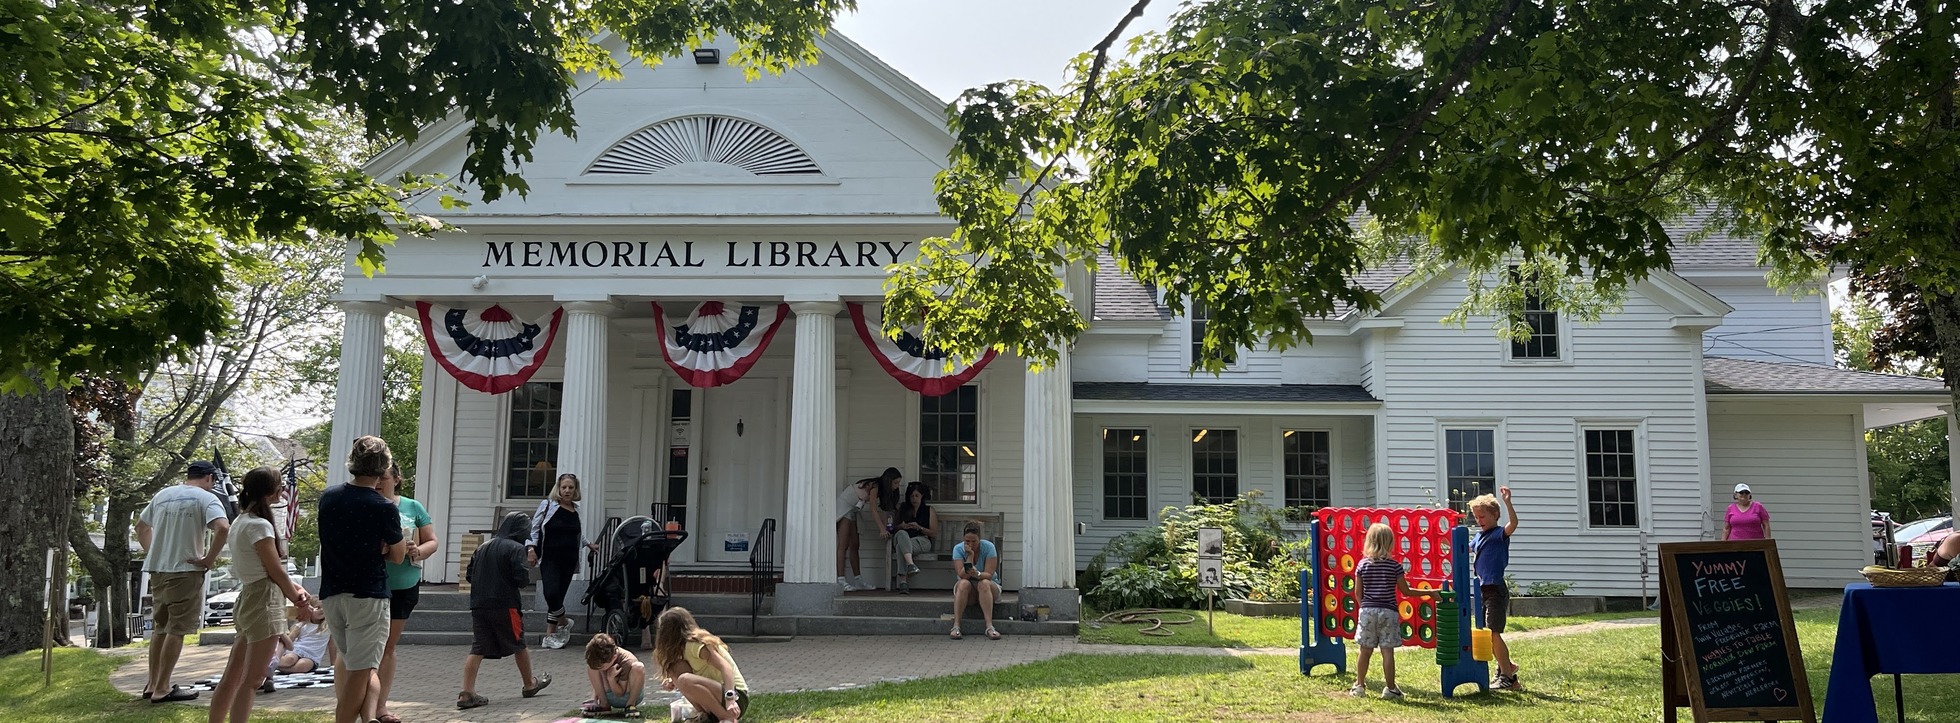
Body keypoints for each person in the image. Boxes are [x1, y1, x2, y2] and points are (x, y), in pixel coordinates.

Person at [206, 468, 312, 723]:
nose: (283, 489)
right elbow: (275, 571)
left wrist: (295, 590)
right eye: (280, 485)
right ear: (270, 491)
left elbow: (268, 570)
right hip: (264, 600)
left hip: (249, 597)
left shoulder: (241, 522)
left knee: (232, 676)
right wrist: (299, 602)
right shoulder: (259, 525)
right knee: (253, 679)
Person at [318, 436, 407, 723]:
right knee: (360, 671)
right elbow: (397, 555)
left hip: (332, 592)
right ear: (384, 469)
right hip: (368, 594)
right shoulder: (383, 507)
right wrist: (384, 545)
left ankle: (368, 718)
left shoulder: (329, 498)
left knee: (359, 666)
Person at [136, 459, 232, 703]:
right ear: (209, 478)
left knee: (161, 627)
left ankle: (152, 683)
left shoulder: (163, 494)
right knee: (177, 629)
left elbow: (141, 526)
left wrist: (153, 552)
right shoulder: (206, 498)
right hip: (185, 569)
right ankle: (163, 688)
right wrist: (208, 559)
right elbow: (223, 528)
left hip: (158, 570)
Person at [459, 511, 552, 710]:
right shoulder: (516, 548)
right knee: (519, 642)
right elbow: (521, 578)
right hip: (505, 604)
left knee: (478, 647)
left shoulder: (482, 547)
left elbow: (469, 575)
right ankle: (529, 684)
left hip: (478, 604)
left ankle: (467, 692)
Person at [374, 463, 437, 723]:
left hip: (404, 585)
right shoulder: (367, 504)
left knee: (388, 646)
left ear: (396, 479)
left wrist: (417, 551)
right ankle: (360, 703)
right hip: (372, 583)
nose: (378, 482)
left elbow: (432, 540)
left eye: (384, 478)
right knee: (370, 647)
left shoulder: (413, 507)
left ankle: (380, 708)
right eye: (375, 477)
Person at [1349, 522, 1433, 700]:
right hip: (1388, 612)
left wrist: (1364, 607)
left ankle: (1359, 686)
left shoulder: (1362, 565)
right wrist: (1429, 592)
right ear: (1389, 543)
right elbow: (1406, 591)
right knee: (1387, 652)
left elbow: (1357, 592)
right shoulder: (1394, 566)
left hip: (1367, 611)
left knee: (1365, 650)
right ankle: (1390, 688)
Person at [528, 473, 599, 649]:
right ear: (558, 489)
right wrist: (530, 549)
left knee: (558, 597)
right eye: (564, 487)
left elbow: (575, 533)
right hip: (550, 558)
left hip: (569, 559)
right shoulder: (548, 506)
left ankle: (549, 635)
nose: (567, 491)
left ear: (575, 490)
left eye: (571, 488)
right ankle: (565, 622)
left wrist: (587, 543)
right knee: (551, 594)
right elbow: (534, 529)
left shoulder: (576, 509)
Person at [653, 607, 749, 723]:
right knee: (673, 669)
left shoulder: (695, 644)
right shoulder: (682, 649)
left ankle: (726, 718)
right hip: (718, 697)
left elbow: (726, 667)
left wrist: (730, 699)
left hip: (736, 697)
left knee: (684, 679)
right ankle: (704, 715)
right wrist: (672, 681)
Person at [1470, 487, 1522, 690]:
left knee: (1493, 632)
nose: (1479, 520)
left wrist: (1508, 502)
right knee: (1487, 633)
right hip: (1483, 590)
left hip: (1496, 590)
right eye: (1476, 517)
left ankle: (1508, 678)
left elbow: (1514, 524)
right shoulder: (1478, 536)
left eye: (1482, 516)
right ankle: (1506, 667)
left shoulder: (1499, 534)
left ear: (1495, 515)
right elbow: (1463, 546)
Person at [949, 520, 1001, 640]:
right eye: (967, 541)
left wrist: (977, 574)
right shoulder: (958, 549)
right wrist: (970, 556)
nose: (971, 544)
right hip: (969, 589)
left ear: (980, 539)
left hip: (988, 586)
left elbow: (988, 574)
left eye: (974, 541)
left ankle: (989, 626)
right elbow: (962, 574)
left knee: (984, 583)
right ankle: (956, 626)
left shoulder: (989, 547)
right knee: (963, 584)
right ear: (963, 539)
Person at [581, 632, 647, 718]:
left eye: (602, 667)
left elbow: (620, 693)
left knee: (638, 667)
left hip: (626, 695)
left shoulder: (626, 661)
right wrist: (593, 697)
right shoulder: (605, 658)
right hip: (608, 695)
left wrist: (611, 679)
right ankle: (603, 704)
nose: (600, 670)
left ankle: (631, 705)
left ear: (614, 658)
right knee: (592, 667)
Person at [891, 482, 937, 594]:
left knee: (900, 547)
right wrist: (901, 526)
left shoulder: (929, 510)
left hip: (922, 540)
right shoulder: (903, 508)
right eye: (912, 496)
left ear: (922, 496)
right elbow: (894, 528)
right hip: (903, 537)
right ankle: (911, 565)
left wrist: (919, 527)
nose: (914, 499)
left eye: (917, 495)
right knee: (901, 535)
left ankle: (903, 583)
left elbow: (933, 533)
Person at [276, 604, 331, 674]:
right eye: (318, 608)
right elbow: (290, 639)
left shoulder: (327, 628)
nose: (322, 610)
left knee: (303, 666)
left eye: (324, 608)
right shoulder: (302, 625)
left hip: (312, 656)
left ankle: (276, 667)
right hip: (297, 650)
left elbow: (332, 645)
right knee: (289, 659)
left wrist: (333, 664)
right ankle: (270, 662)